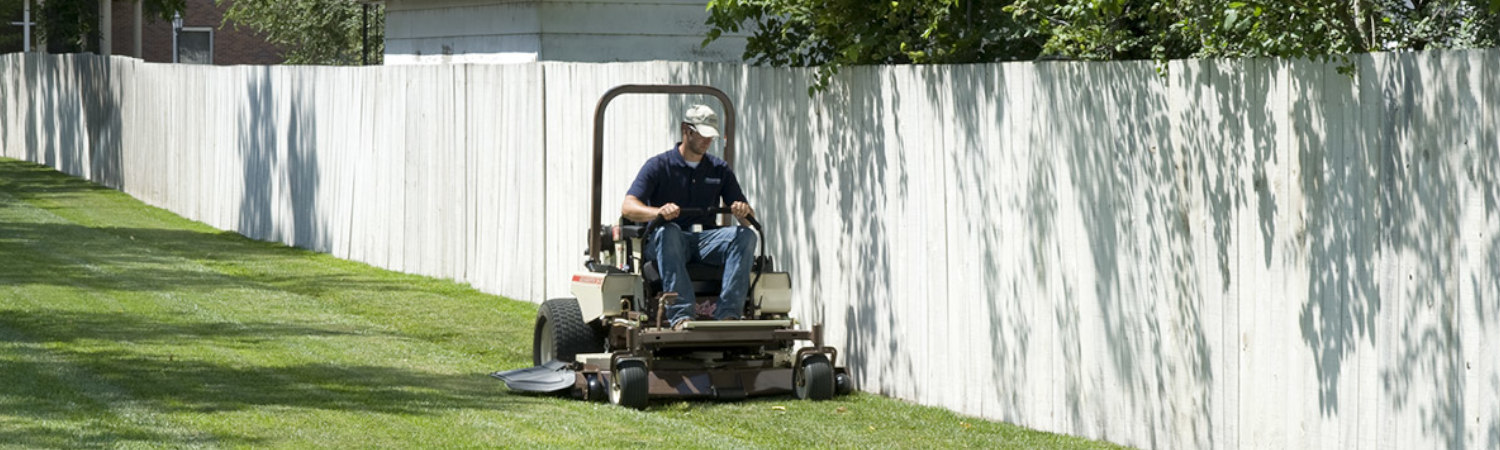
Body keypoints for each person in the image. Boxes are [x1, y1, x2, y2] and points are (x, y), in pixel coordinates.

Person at [621, 104, 756, 330]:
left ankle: (728, 316)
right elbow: (628, 206)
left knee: (745, 236)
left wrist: (745, 212)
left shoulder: (719, 169)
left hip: (704, 240)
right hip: (667, 241)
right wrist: (658, 212)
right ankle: (681, 316)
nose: (706, 141)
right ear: (686, 130)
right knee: (669, 231)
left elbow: (747, 217)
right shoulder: (658, 166)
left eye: (710, 137)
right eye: (702, 135)